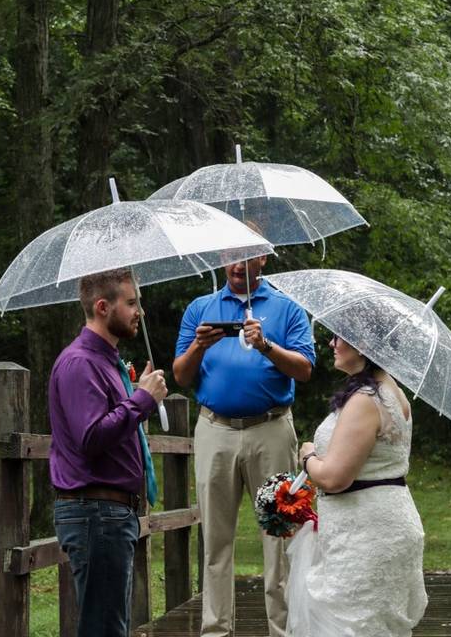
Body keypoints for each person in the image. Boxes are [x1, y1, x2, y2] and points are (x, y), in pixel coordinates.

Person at [173, 254, 315, 637]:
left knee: (279, 537)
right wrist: (199, 347)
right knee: (215, 539)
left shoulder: (287, 308)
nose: (237, 266)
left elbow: (304, 369)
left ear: (262, 258)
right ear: (222, 259)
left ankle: (282, 630)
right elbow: (182, 375)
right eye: (230, 258)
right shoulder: (201, 308)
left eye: (246, 258)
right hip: (214, 429)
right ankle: (216, 630)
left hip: (270, 428)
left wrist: (266, 345)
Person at [49, 268, 168, 637]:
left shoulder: (106, 363)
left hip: (110, 513)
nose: (140, 312)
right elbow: (91, 437)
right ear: (103, 307)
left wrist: (135, 393)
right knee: (103, 629)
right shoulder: (80, 363)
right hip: (95, 512)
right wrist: (141, 401)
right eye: (131, 303)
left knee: (111, 625)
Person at [286, 333, 428, 637]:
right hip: (385, 523)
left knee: (351, 625)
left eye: (340, 337)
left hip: (366, 535)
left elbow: (334, 478)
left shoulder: (366, 399)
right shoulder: (392, 391)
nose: (332, 344)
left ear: (364, 345)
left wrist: (309, 456)